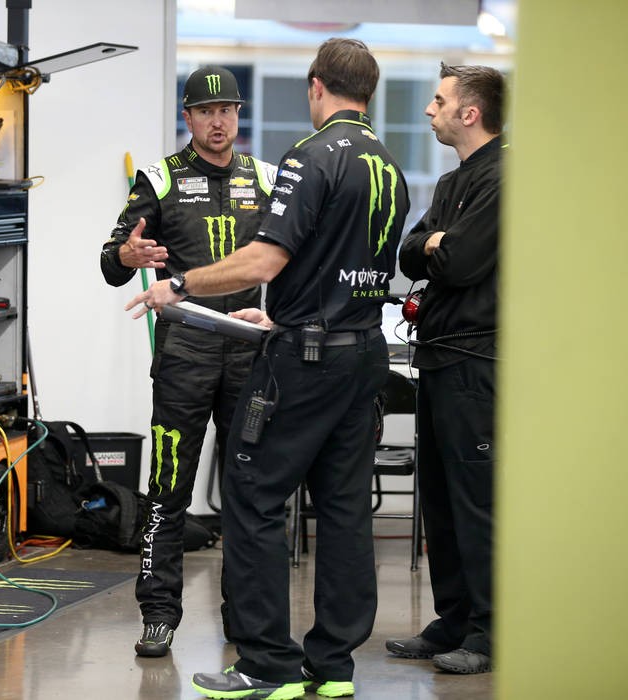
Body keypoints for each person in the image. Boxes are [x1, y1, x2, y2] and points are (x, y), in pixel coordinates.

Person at [127, 38, 409, 699]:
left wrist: (182, 284)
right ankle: (333, 669)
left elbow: (262, 261)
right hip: (363, 352)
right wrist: (283, 315)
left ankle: (265, 666)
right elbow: (342, 267)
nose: (219, 120)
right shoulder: (389, 165)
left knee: (251, 496)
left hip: (305, 364)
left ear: (317, 87)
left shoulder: (306, 158)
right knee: (342, 509)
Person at [100, 65, 278, 658]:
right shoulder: (159, 178)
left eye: (227, 110)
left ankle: (245, 619)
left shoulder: (268, 178)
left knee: (249, 494)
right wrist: (129, 252)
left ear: (237, 114)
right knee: (168, 488)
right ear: (189, 116)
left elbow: (288, 260)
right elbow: (111, 260)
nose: (218, 120)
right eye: (206, 111)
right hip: (184, 358)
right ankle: (158, 613)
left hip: (251, 354)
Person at [385, 63, 506, 675]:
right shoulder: (452, 184)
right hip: (436, 360)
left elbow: (454, 260)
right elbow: (412, 252)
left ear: (470, 112)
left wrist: (437, 243)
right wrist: (431, 242)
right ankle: (453, 619)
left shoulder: (506, 177)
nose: (429, 111)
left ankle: (489, 632)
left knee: (476, 500)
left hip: (477, 363)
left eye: (439, 102)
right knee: (439, 499)